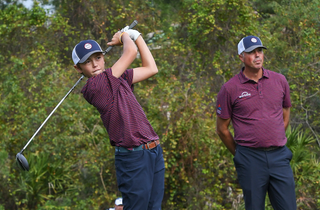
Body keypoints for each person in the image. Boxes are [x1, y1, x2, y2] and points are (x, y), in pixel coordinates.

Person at [72, 27, 165, 209]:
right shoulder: (94, 87)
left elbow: (151, 68)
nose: (95, 64)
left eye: (98, 58)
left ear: (104, 57)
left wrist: (136, 36)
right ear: (78, 68)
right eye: (87, 62)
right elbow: (130, 52)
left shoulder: (118, 77)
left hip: (153, 149)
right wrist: (124, 35)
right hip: (133, 157)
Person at [216, 35, 297, 209]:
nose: (257, 55)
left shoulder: (279, 80)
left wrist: (274, 137)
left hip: (279, 156)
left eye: (259, 51)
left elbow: (285, 112)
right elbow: (222, 129)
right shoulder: (230, 88)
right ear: (241, 57)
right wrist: (239, 154)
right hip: (250, 159)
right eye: (251, 52)